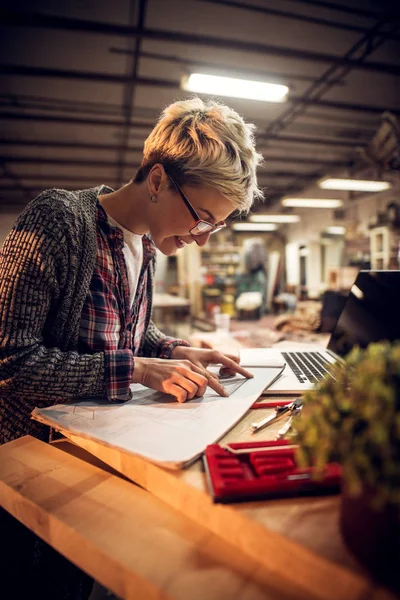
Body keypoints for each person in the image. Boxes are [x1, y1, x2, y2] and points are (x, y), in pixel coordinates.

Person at [0, 96, 264, 598]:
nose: (203, 238)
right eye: (202, 218)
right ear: (159, 180)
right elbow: (9, 361)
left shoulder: (147, 244)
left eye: (216, 224)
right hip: (29, 472)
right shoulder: (58, 220)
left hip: (92, 462)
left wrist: (171, 350)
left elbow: (125, 332)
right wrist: (138, 370)